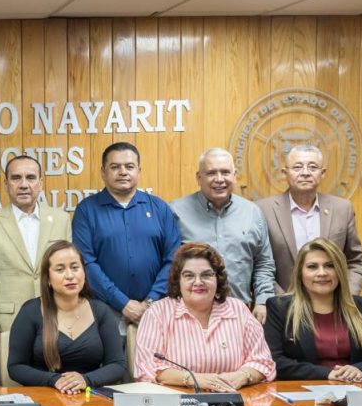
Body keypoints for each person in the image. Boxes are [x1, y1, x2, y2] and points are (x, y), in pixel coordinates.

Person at [73, 142, 181, 336]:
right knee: (111, 357)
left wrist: (150, 301)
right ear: (103, 172)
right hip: (105, 311)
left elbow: (173, 259)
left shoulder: (160, 208)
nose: (123, 172)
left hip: (156, 309)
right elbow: (86, 262)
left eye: (129, 166)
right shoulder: (86, 210)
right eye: (115, 167)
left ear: (138, 171)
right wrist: (123, 303)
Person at [135, 243, 276, 391]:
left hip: (233, 397)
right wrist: (192, 379)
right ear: (178, 280)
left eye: (206, 275)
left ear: (218, 278)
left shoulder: (238, 310)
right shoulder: (158, 313)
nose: (198, 282)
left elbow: (263, 362)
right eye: (189, 276)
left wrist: (242, 376)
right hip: (179, 400)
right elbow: (147, 368)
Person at [264, 238, 362, 381]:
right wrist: (326, 373)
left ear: (340, 271)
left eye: (330, 266)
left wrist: (360, 369)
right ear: (300, 273)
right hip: (303, 390)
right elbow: (273, 361)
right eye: (312, 267)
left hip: (355, 388)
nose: (322, 273)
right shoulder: (280, 308)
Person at [0, 154, 71, 352]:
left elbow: (69, 275)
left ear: (40, 183)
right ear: (6, 184)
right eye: (16, 178)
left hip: (56, 319)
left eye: (31, 178)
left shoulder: (61, 219)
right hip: (9, 324)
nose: (24, 185)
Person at [170, 148, 275, 323]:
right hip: (190, 316)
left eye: (225, 172)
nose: (219, 179)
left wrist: (263, 300)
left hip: (240, 314)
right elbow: (168, 265)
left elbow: (263, 263)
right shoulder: (176, 212)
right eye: (211, 173)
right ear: (199, 177)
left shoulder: (252, 212)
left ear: (234, 175)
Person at [7, 241, 127, 392]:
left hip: (90, 395)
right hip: (45, 395)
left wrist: (85, 379)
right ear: (48, 278)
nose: (70, 275)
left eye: (75, 267)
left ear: (84, 272)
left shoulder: (100, 311)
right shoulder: (30, 311)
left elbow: (117, 365)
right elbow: (16, 367)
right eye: (60, 269)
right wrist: (54, 380)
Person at [257, 144, 362, 294]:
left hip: (332, 302)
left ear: (322, 173)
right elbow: (259, 264)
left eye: (313, 167)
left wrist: (347, 298)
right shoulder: (263, 210)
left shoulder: (342, 209)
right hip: (282, 301)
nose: (305, 173)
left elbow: (354, 261)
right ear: (285, 173)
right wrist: (281, 301)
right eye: (297, 167)